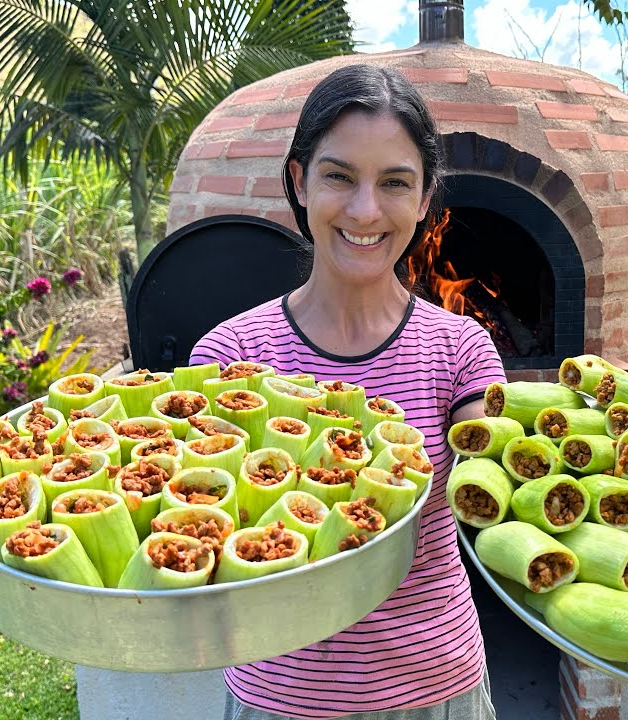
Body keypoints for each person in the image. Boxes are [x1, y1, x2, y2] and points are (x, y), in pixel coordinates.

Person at [189, 63, 506, 720]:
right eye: (339, 176)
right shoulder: (231, 356)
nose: (366, 210)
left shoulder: (462, 350)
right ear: (300, 182)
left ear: (424, 201)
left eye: (394, 183)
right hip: (280, 697)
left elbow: (498, 482)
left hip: (436, 687)